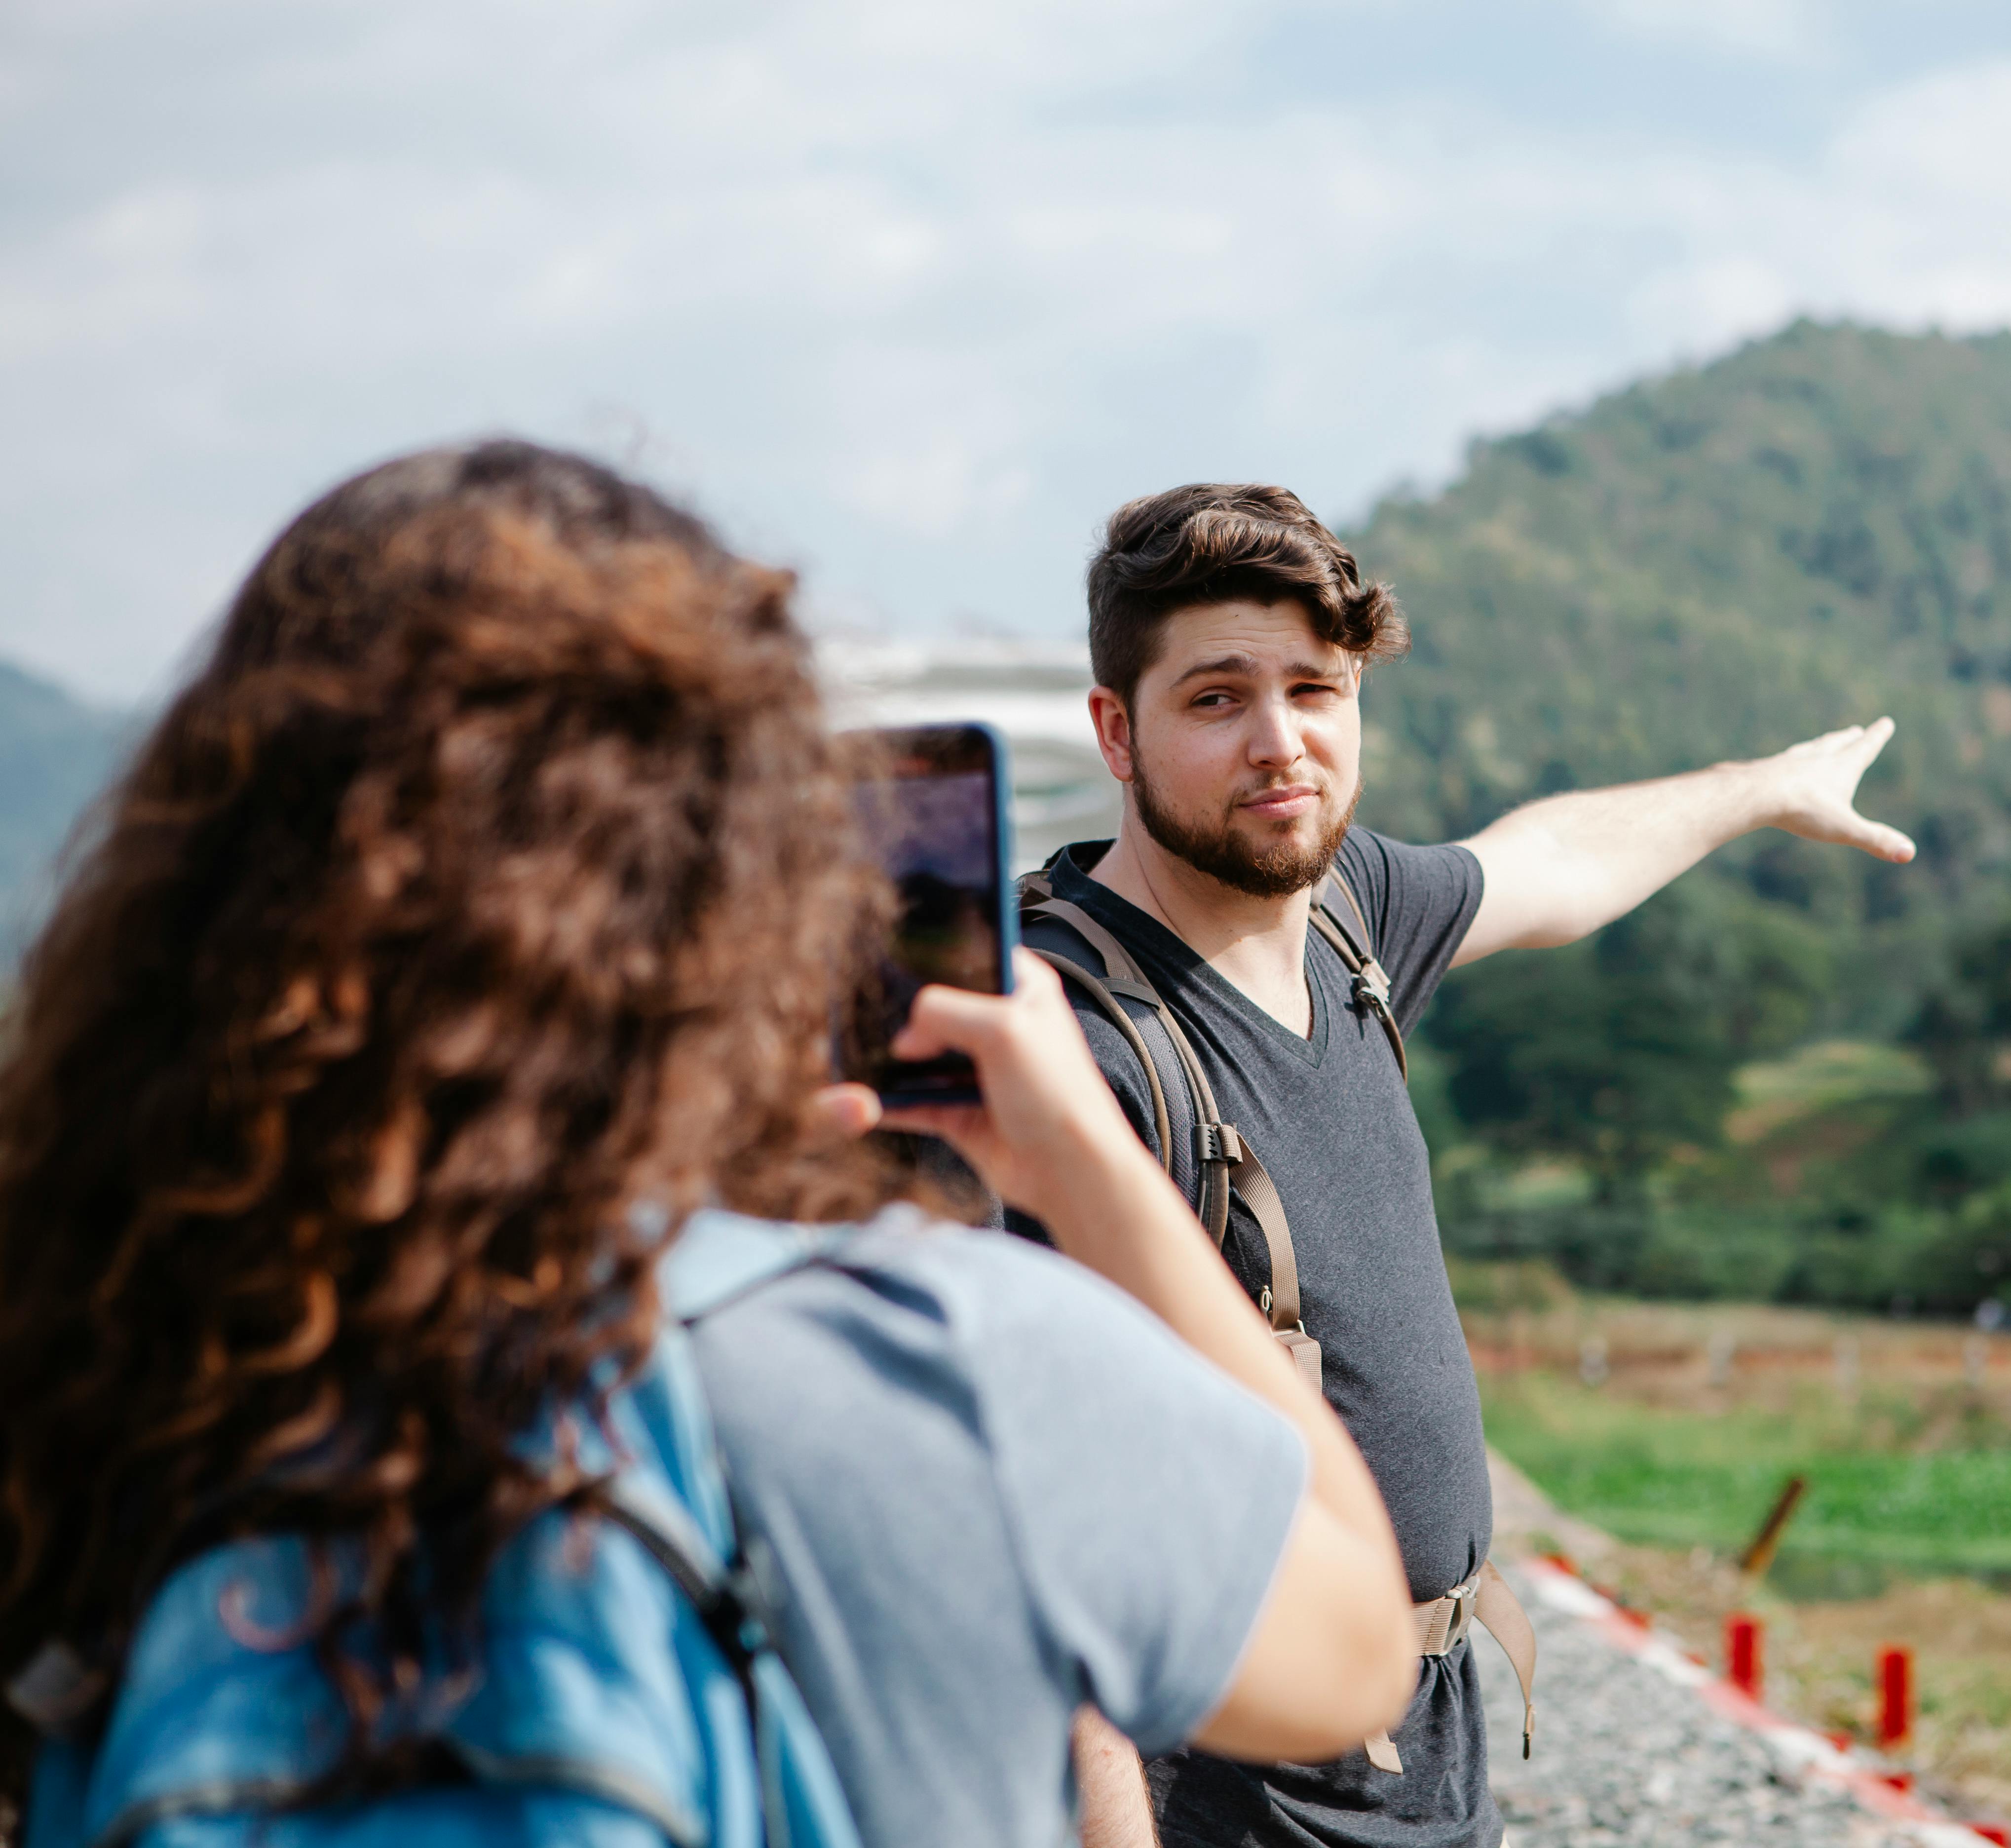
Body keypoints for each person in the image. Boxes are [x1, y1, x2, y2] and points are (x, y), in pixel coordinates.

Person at [0, 443, 1415, 1848]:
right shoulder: (942, 1360)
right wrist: (1083, 1162)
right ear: (748, 883)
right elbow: (1353, 1647)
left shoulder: (104, 1364)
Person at [1020, 483, 1915, 1848]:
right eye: (1216, 700)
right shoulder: (1069, 1045)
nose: (1281, 745)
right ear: (1115, 731)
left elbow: (1543, 863)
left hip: (1423, 1752)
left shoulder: (1347, 921)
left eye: (1316, 691)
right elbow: (1044, 1519)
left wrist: (1759, 791)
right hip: (1224, 1786)